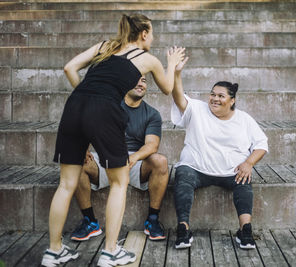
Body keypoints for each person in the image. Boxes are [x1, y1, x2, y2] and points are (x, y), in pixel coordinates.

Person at [41, 13, 185, 267]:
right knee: (120, 182)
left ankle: (53, 251)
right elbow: (166, 87)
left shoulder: (105, 46)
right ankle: (110, 251)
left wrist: (87, 98)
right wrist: (171, 63)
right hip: (104, 110)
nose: (153, 38)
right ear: (143, 34)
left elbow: (69, 68)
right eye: (152, 33)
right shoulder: (147, 58)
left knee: (66, 184)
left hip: (74, 106)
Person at [171, 58, 268, 250]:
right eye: (212, 94)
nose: (215, 99)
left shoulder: (244, 119)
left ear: (232, 100)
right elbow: (178, 97)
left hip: (231, 171)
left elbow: (261, 144)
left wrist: (248, 163)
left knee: (244, 178)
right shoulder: (197, 109)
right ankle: (183, 228)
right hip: (197, 167)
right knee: (183, 174)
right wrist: (176, 73)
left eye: (221, 96)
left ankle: (245, 230)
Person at [70, 76, 169, 243]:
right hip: (105, 159)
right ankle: (89, 221)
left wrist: (133, 157)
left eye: (144, 81)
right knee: (76, 161)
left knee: (160, 161)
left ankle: (152, 219)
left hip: (135, 163)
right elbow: (85, 125)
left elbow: (152, 145)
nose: (140, 83)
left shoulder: (152, 114)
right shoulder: (108, 106)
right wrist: (83, 146)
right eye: (135, 79)